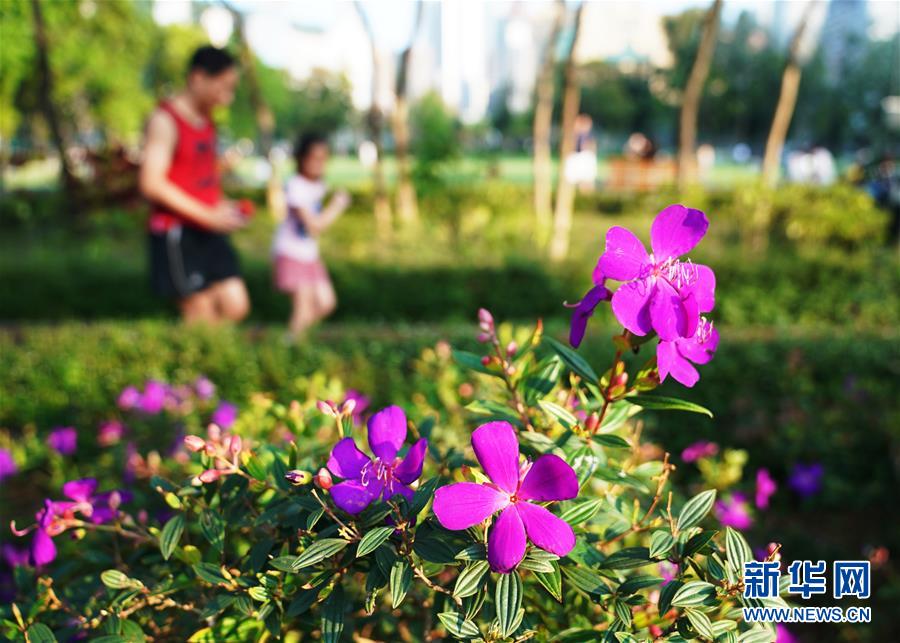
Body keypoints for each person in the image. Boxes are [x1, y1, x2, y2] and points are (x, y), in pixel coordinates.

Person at [139, 46, 250, 324]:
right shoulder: (164, 121)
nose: (227, 98)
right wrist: (207, 215)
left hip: (208, 229)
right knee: (201, 314)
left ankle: (207, 351)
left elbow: (198, 177)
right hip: (177, 233)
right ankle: (197, 353)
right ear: (198, 78)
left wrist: (221, 206)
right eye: (223, 88)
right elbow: (151, 183)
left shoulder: (207, 122)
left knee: (236, 305)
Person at [271, 133, 350, 338]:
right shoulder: (295, 185)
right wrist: (337, 206)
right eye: (314, 158)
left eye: (323, 158)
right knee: (303, 308)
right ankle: (291, 344)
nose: (319, 164)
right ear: (302, 158)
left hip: (309, 255)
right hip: (291, 253)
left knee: (326, 303)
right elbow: (314, 226)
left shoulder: (317, 184)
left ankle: (294, 338)